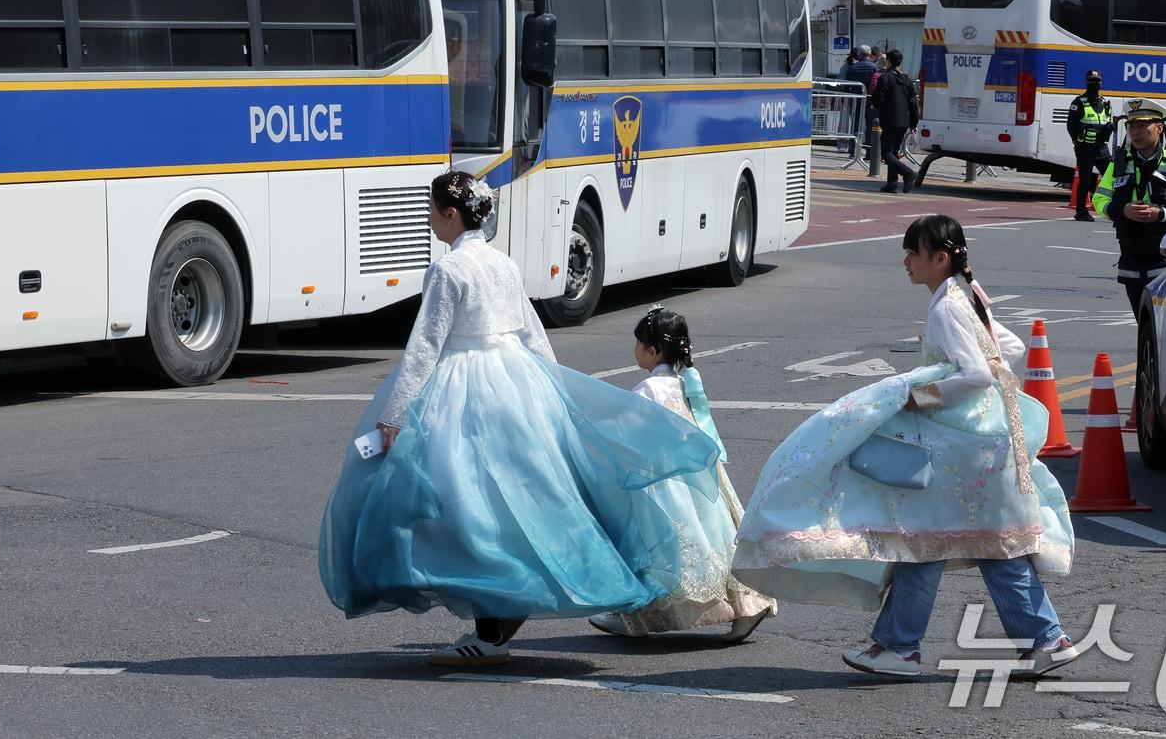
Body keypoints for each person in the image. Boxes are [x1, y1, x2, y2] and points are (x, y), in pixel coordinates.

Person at [318, 171, 721, 666]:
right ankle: (500, 621)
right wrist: (553, 391)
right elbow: (531, 332)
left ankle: (490, 633)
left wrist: (394, 412)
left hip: (463, 388)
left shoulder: (448, 269)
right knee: (522, 498)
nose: (429, 219)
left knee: (469, 506)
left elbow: (425, 347)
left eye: (432, 210)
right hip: (515, 383)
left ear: (450, 214)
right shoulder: (504, 263)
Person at [731, 214, 1076, 679]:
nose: (906, 261)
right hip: (989, 441)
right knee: (980, 543)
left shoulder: (947, 307)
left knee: (926, 540)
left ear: (941, 258)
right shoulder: (966, 295)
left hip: (963, 449)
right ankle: (1042, 640)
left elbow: (975, 375)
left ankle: (902, 646)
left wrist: (923, 395)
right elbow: (1007, 349)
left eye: (914, 252)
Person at [589, 307, 777, 642]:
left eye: (638, 343)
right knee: (716, 536)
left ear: (652, 350)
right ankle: (748, 603)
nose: (635, 349)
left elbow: (627, 432)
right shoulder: (687, 383)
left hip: (664, 478)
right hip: (699, 475)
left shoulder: (650, 388)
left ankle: (640, 614)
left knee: (661, 542)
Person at [1094, 99, 1166, 321]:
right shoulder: (1119, 164)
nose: (1135, 132)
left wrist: (1162, 214)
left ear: (1159, 128)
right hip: (1131, 258)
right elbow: (1100, 199)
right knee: (1144, 325)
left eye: (1142, 126)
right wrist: (1123, 210)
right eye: (1131, 126)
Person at [1067, 69, 1115, 222]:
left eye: (1098, 81)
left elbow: (1107, 121)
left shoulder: (1105, 102)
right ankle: (1081, 212)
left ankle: (1115, 208)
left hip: (1102, 149)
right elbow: (1070, 126)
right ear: (1087, 82)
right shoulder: (1078, 102)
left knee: (1113, 177)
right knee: (1085, 181)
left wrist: (1109, 128)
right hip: (1085, 148)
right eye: (1093, 81)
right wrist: (1077, 142)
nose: (1096, 84)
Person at [871, 48, 919, 194]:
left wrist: (876, 104)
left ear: (889, 61)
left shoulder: (885, 78)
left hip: (889, 119)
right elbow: (913, 103)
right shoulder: (907, 80)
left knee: (886, 153)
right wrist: (913, 122)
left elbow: (878, 99)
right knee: (893, 152)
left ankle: (907, 173)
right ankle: (891, 183)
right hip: (903, 121)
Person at [846, 45, 883, 154]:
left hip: (856, 99)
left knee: (855, 124)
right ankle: (869, 149)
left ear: (859, 54)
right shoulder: (874, 67)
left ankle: (853, 149)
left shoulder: (853, 67)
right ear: (869, 54)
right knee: (870, 124)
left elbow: (847, 85)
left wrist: (846, 97)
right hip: (870, 99)